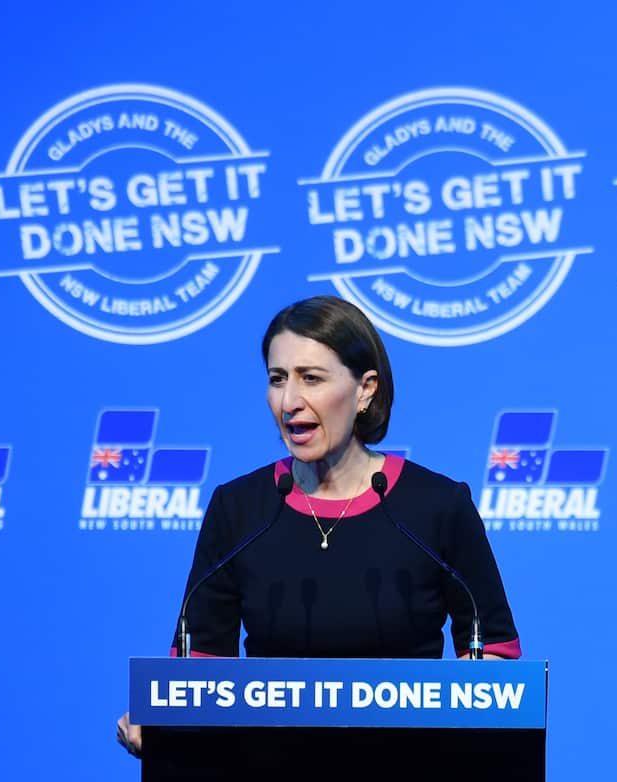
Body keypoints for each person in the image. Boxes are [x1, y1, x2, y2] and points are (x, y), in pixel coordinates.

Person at [116, 295, 520, 756]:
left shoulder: (437, 507)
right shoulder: (240, 510)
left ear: (365, 388)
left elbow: (495, 659)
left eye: (311, 378)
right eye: (277, 379)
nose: (290, 401)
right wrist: (164, 716)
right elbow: (200, 666)